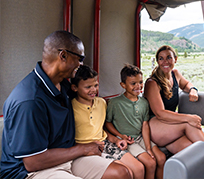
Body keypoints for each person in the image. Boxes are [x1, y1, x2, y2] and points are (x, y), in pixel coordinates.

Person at [0, 30, 131, 179]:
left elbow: (91, 102)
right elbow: (32, 161)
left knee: (122, 174)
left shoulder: (62, 85)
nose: (81, 64)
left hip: (65, 157)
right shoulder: (30, 101)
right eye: (80, 58)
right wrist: (83, 149)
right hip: (29, 171)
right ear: (63, 55)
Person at [143, 45, 204, 177]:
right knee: (189, 124)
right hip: (154, 125)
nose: (165, 62)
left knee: (193, 150)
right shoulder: (152, 83)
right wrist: (188, 118)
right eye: (161, 58)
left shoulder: (175, 74)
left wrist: (193, 89)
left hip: (170, 127)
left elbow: (186, 84)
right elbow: (160, 113)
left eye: (168, 58)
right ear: (157, 61)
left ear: (175, 59)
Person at [71, 65, 145, 179]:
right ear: (75, 88)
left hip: (106, 144)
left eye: (95, 85)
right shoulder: (70, 108)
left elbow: (102, 127)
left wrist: (116, 139)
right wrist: (84, 147)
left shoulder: (101, 103)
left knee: (139, 169)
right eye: (88, 87)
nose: (93, 90)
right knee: (126, 172)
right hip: (84, 150)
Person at [105, 64, 166, 179]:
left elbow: (145, 125)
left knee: (162, 158)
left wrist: (148, 148)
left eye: (140, 82)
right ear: (123, 85)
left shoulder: (144, 102)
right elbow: (107, 123)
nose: (138, 86)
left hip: (141, 138)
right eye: (133, 83)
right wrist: (120, 136)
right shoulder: (114, 103)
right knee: (151, 163)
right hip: (128, 141)